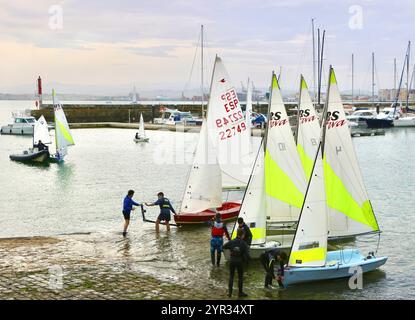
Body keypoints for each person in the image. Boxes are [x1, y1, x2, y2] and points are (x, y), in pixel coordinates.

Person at [223, 228, 250, 298]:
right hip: (239, 261)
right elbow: (247, 255)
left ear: (237, 234)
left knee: (231, 276)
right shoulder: (244, 243)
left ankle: (230, 293)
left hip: (232, 260)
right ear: (243, 235)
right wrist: (246, 263)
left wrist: (231, 251)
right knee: (240, 277)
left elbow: (224, 247)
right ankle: (240, 293)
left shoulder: (232, 241)